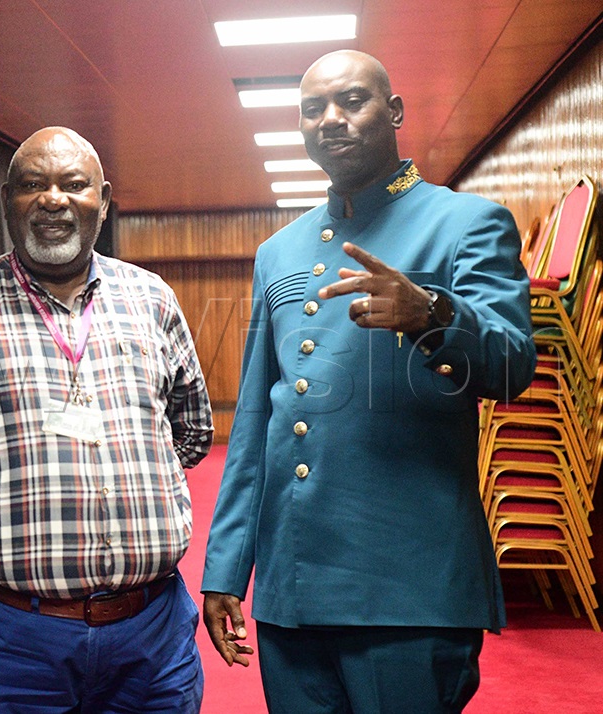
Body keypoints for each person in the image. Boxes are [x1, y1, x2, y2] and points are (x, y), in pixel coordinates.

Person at [201, 50, 536, 713]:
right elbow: (257, 425)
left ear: (395, 112)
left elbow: (511, 367)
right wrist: (226, 569)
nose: (330, 119)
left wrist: (435, 316)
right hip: (293, 592)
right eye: (312, 108)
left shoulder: (466, 223)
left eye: (352, 101)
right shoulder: (279, 252)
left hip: (406, 590)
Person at [0, 126, 213, 713]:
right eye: (32, 185)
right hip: (8, 639)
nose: (53, 199)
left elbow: (192, 433)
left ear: (104, 197)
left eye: (74, 184)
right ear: (5, 200)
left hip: (152, 635)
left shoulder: (152, 298)